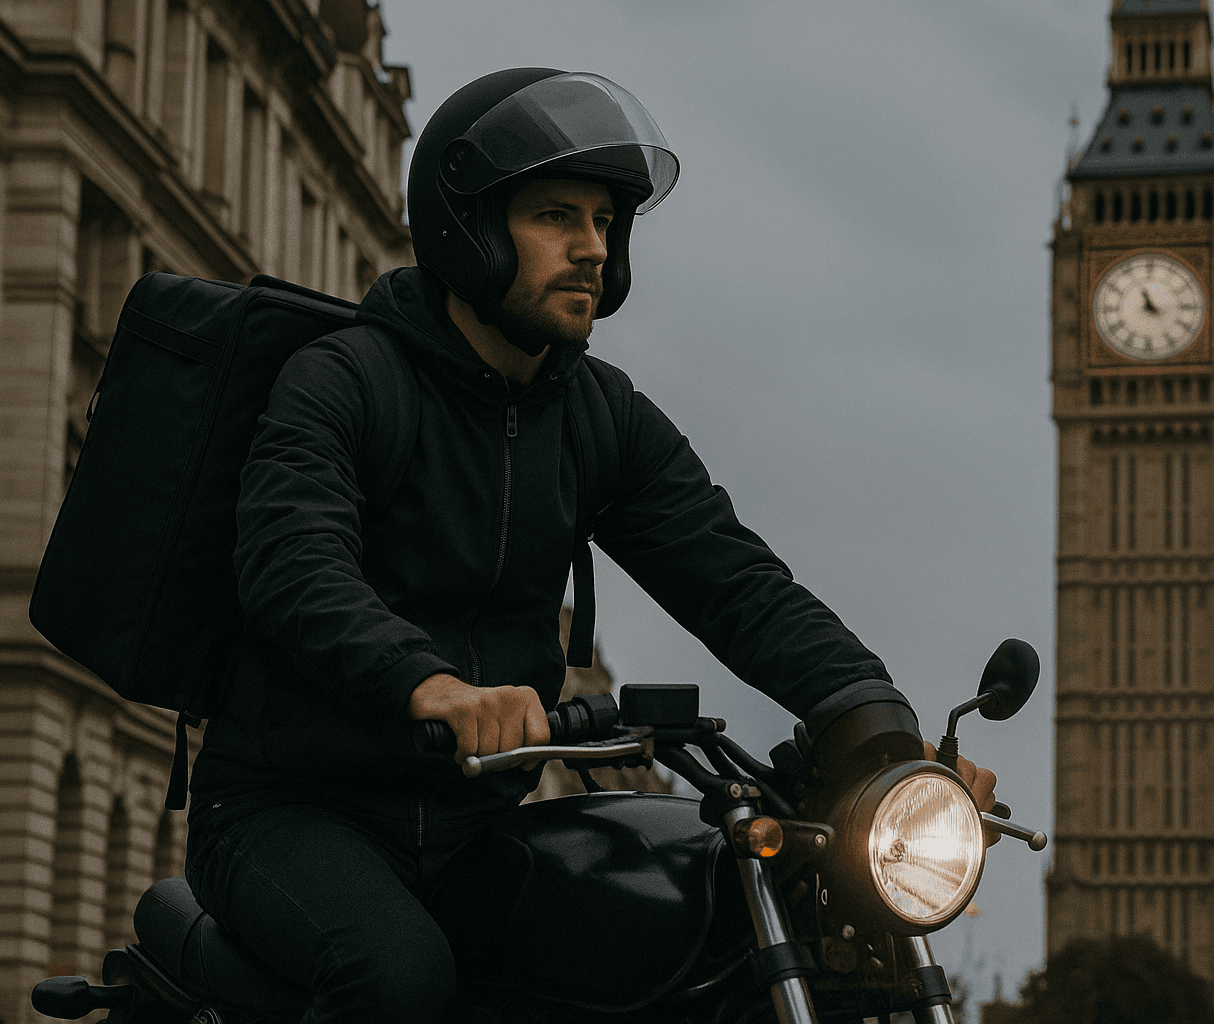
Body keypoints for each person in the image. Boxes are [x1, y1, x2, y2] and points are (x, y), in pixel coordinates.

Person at [184, 68, 997, 1023]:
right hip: (293, 811)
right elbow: (293, 564)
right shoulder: (345, 380)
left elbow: (739, 582)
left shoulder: (598, 415)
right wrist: (429, 685)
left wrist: (884, 737)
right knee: (396, 982)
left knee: (669, 941)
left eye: (606, 224)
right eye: (555, 217)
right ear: (469, 229)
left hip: (472, 824)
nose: (590, 250)